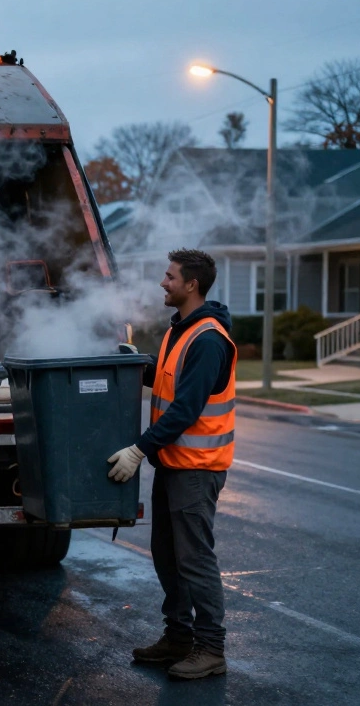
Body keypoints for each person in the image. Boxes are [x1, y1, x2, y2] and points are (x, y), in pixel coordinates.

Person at [106, 248, 235, 680]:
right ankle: (179, 637)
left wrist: (139, 449)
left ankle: (211, 649)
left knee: (194, 558)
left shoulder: (209, 339)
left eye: (169, 276)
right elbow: (160, 376)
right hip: (174, 464)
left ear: (191, 285)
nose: (163, 283)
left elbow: (186, 409)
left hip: (197, 468)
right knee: (167, 554)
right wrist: (125, 361)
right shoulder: (180, 332)